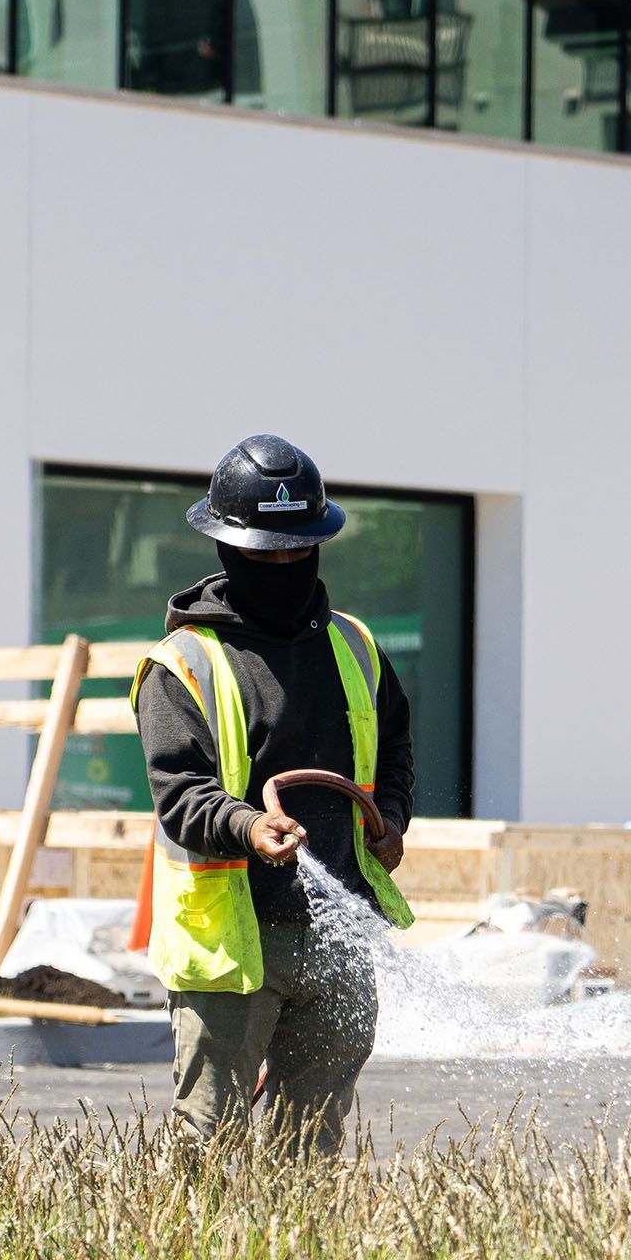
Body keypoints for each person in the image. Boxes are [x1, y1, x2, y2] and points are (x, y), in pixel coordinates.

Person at [131, 434, 415, 1149]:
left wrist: (393, 820)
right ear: (228, 547)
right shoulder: (184, 664)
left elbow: (398, 754)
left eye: (298, 549)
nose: (285, 565)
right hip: (233, 943)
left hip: (338, 935)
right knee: (208, 1144)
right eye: (266, 553)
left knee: (311, 1143)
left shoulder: (354, 646)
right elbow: (182, 797)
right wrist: (251, 826)